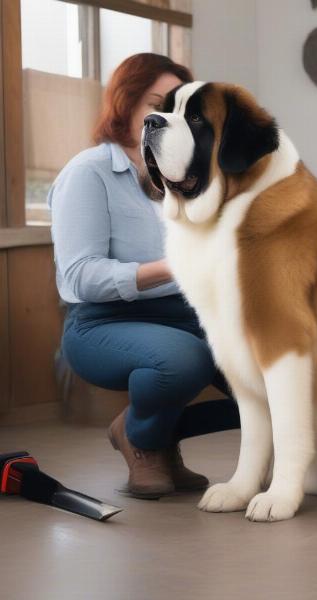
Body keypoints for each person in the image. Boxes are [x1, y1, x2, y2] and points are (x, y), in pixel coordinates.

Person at [49, 53, 239, 499]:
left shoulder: (183, 177)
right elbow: (80, 277)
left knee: (267, 375)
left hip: (183, 311)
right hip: (101, 322)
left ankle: (149, 433)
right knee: (184, 358)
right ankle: (146, 441)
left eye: (178, 107)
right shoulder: (88, 172)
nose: (167, 117)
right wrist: (174, 266)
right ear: (126, 103)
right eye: (156, 103)